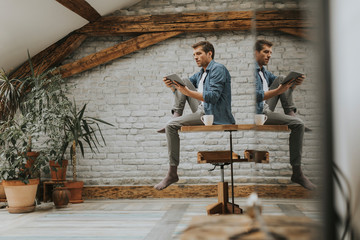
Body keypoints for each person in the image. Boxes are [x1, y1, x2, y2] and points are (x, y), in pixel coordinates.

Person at [155, 41, 235, 190]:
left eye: (199, 53)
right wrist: (173, 87)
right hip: (202, 110)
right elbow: (183, 91)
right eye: (194, 55)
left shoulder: (218, 69)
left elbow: (213, 97)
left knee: (171, 126)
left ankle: (172, 173)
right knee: (183, 81)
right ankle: (176, 115)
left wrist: (184, 91)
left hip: (214, 115)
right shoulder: (201, 73)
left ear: (209, 53)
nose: (195, 57)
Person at [254, 39, 316, 190]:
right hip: (257, 113)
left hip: (266, 108)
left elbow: (281, 88)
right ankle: (297, 173)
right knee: (298, 125)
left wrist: (293, 84)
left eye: (270, 52)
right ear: (255, 53)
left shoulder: (263, 71)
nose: (269, 55)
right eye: (265, 52)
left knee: (282, 79)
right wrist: (279, 90)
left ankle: (290, 113)